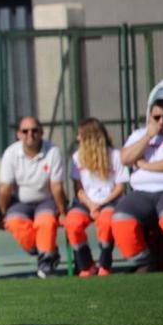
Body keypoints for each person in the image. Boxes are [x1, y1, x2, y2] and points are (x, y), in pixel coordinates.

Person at [0, 116, 68, 278]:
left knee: (45, 221)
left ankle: (45, 266)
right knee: (13, 221)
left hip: (47, 200)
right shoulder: (11, 153)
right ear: (19, 134)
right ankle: (47, 252)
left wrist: (63, 212)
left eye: (35, 130)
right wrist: (2, 214)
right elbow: (5, 188)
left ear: (42, 132)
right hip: (21, 202)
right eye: (25, 131)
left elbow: (56, 187)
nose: (30, 134)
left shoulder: (53, 151)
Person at [64, 118, 128, 276]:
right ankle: (86, 266)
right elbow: (78, 188)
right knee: (72, 223)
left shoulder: (115, 155)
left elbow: (120, 186)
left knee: (106, 222)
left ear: (91, 137)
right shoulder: (77, 157)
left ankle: (105, 264)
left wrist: (103, 203)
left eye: (80, 135)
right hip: (85, 202)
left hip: (110, 201)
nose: (77, 139)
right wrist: (92, 205)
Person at [111, 99, 163, 272]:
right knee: (121, 219)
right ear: (149, 117)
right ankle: (144, 261)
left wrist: (143, 165)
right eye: (157, 117)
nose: (161, 122)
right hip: (141, 192)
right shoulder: (138, 135)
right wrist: (148, 136)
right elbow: (125, 158)